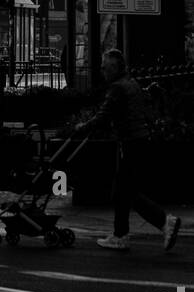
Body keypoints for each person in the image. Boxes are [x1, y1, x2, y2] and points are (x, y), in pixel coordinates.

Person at [75, 49, 181, 253]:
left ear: (114, 68)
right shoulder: (131, 83)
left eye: (105, 67)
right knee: (121, 191)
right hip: (138, 140)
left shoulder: (117, 88)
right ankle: (120, 235)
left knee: (127, 191)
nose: (102, 71)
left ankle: (164, 221)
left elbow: (103, 116)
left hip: (129, 143)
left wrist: (83, 127)